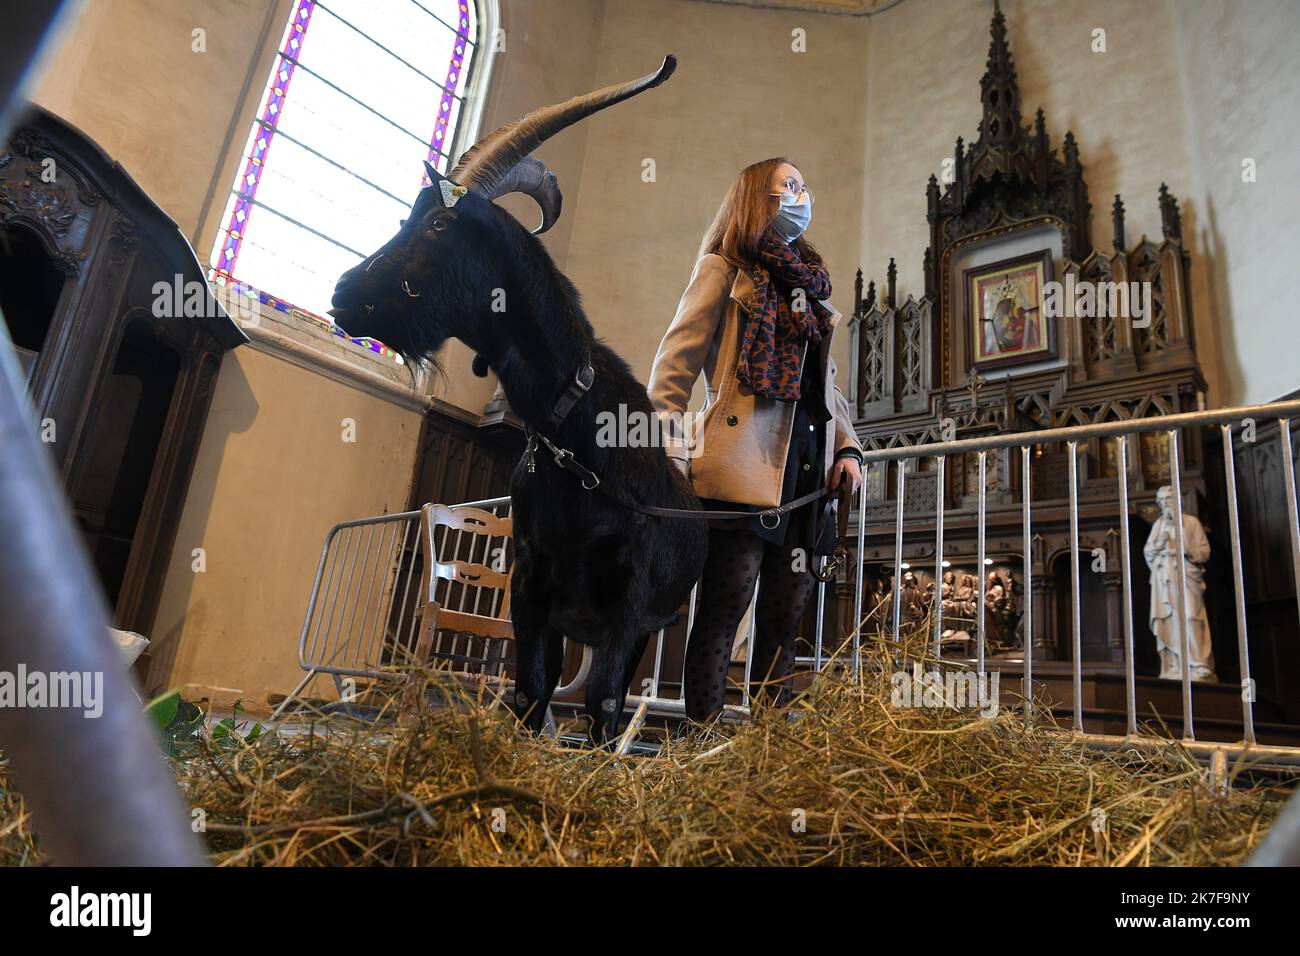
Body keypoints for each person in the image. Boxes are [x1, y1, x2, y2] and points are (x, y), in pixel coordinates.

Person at [648, 157, 862, 722]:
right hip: (743, 463)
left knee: (785, 617)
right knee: (723, 610)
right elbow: (674, 368)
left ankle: (772, 752)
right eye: (788, 186)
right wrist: (668, 450)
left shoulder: (810, 289)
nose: (801, 194)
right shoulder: (722, 269)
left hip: (806, 469)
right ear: (755, 197)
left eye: (804, 185)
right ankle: (702, 740)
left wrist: (848, 448)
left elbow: (826, 387)